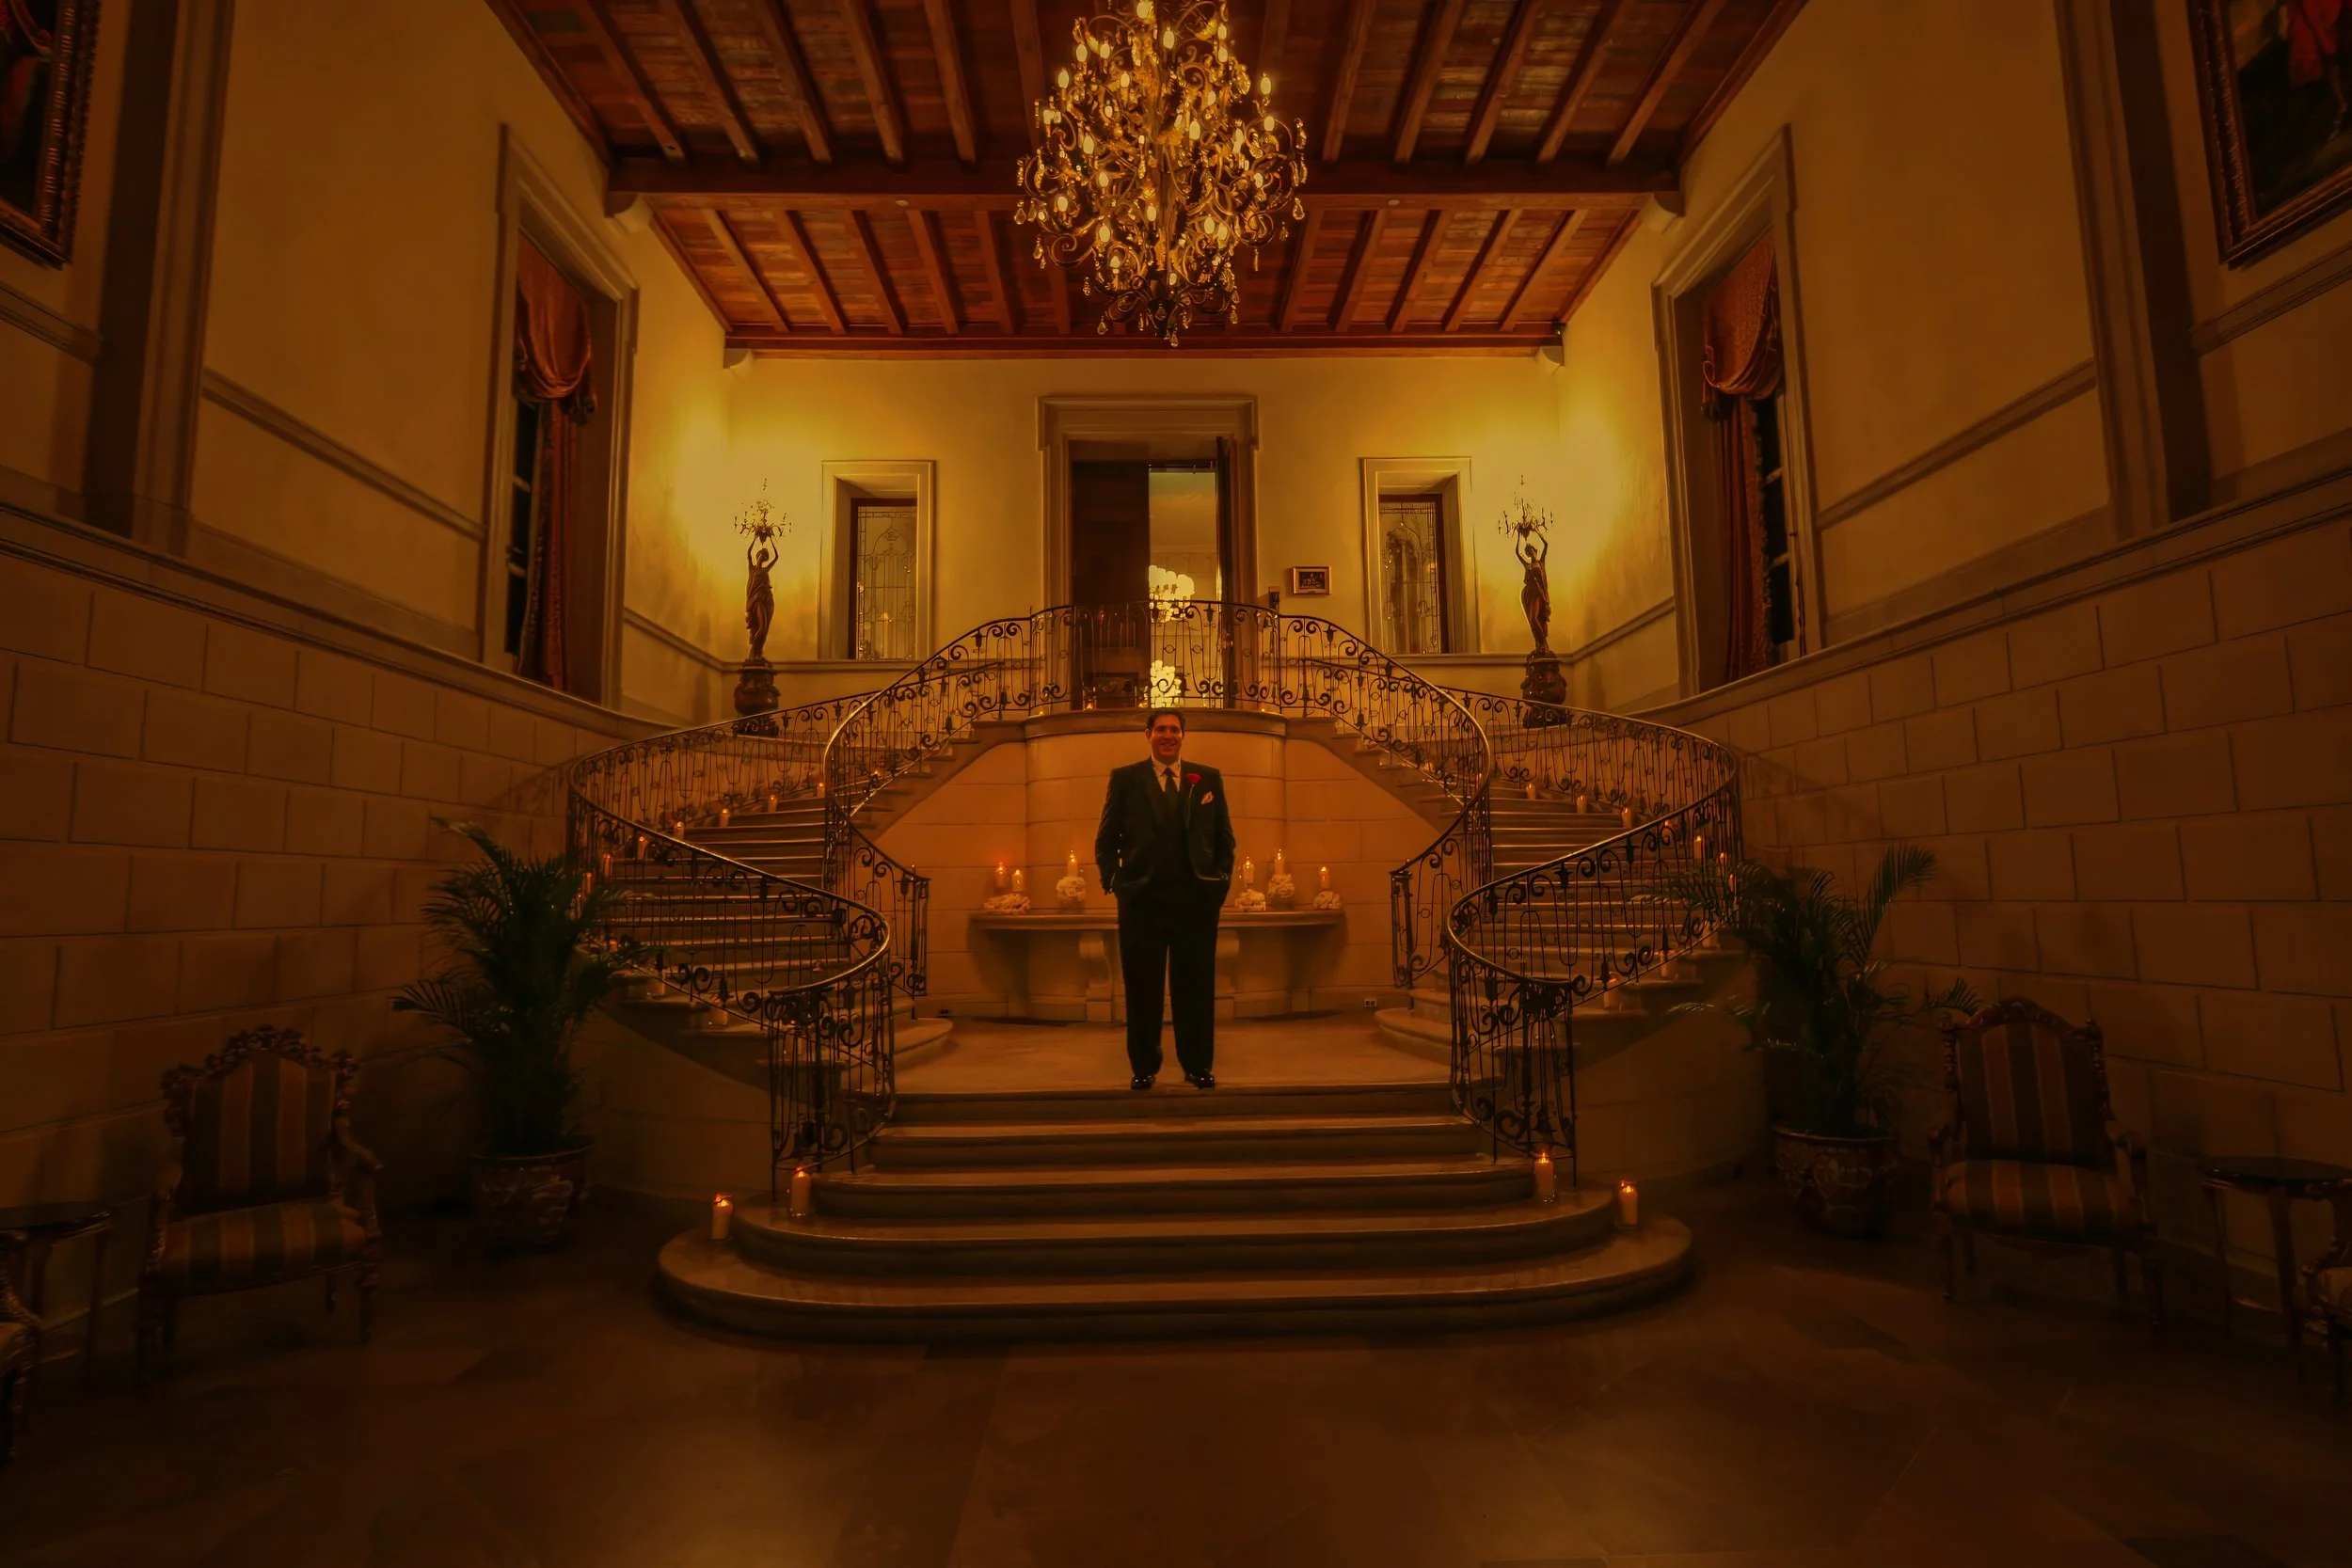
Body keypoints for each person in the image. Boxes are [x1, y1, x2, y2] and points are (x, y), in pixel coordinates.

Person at [1093, 707, 1235, 1090]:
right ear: (1148, 735)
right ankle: (1144, 1067)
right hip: (1142, 902)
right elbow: (1106, 842)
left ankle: (1197, 1065)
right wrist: (1117, 884)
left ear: (1183, 736)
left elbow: (1224, 839)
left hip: (1196, 902)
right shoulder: (1126, 779)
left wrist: (1218, 884)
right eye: (1161, 729)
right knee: (1143, 991)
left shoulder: (1207, 778)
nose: (1168, 735)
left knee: (1196, 988)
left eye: (1174, 729)